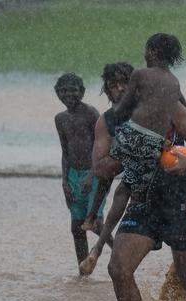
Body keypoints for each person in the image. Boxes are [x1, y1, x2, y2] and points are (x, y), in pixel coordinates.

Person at [107, 33, 186, 301]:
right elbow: (103, 167)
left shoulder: (174, 107)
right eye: (116, 87)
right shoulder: (115, 122)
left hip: (179, 202)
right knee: (118, 269)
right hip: (144, 201)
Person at [78, 62, 135, 276]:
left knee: (116, 182)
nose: (119, 89)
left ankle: (97, 239)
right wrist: (94, 172)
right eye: (113, 85)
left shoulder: (147, 108)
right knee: (107, 174)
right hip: (125, 166)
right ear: (107, 90)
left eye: (124, 83)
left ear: (134, 84)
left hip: (151, 166)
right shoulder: (107, 120)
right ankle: (93, 221)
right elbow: (101, 163)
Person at [53, 72, 104, 273]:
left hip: (96, 172)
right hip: (73, 174)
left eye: (73, 90)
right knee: (76, 227)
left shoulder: (91, 114)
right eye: (63, 91)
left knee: (96, 223)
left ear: (82, 92)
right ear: (57, 94)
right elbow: (65, 151)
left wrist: (92, 174)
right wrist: (64, 180)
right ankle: (83, 270)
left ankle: (120, 254)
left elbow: (102, 145)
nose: (68, 95)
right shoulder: (60, 119)